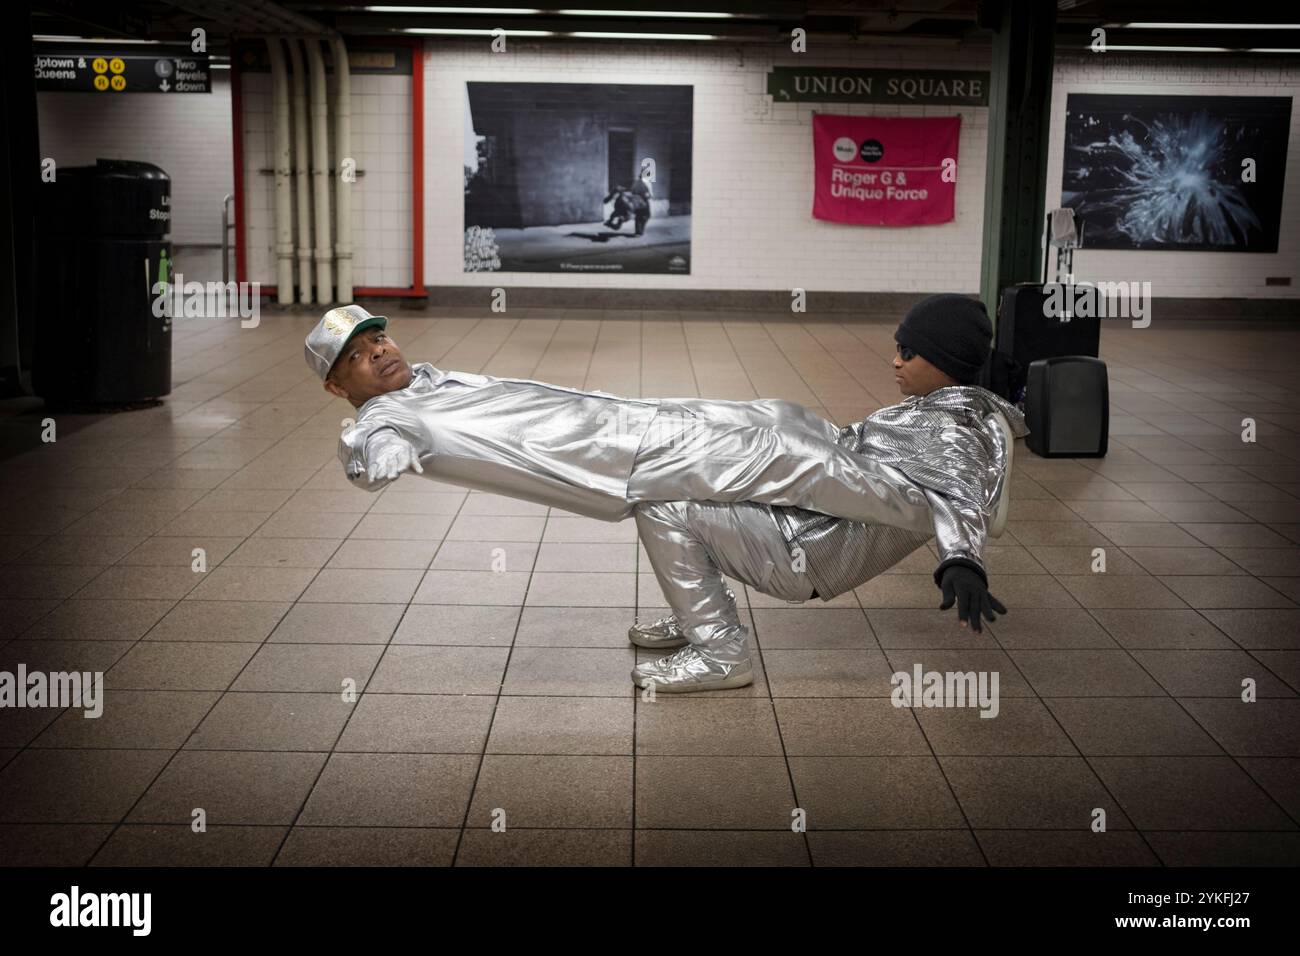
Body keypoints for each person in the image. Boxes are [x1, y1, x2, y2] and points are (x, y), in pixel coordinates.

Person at [304, 296, 1024, 684]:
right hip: (771, 495)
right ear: (341, 385)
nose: (381, 353)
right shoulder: (400, 407)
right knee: (744, 431)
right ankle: (703, 624)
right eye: (362, 357)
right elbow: (373, 444)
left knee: (700, 472)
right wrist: (374, 442)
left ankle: (720, 651)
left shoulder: (964, 427)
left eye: (380, 340)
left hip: (813, 544)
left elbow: (948, 488)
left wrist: (962, 554)